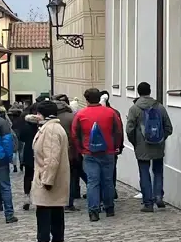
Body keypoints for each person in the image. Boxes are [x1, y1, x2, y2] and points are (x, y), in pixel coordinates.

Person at [71, 88, 123, 222]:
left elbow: (74, 134)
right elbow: (118, 131)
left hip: (89, 152)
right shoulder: (110, 112)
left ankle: (93, 211)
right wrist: (116, 146)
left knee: (92, 182)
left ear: (87, 100)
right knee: (108, 181)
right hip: (108, 151)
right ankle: (109, 207)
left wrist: (81, 148)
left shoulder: (81, 114)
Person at [28, 101, 71, 242]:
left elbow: (51, 158)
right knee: (56, 208)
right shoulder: (52, 127)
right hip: (53, 176)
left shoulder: (51, 130)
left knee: (44, 210)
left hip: (48, 177)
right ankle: (58, 241)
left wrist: (47, 179)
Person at [126, 82, 174, 212]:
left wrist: (135, 142)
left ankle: (148, 203)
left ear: (138, 92)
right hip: (158, 146)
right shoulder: (159, 107)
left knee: (144, 173)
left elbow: (129, 129)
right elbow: (169, 128)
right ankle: (158, 197)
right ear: (150, 91)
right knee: (158, 172)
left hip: (141, 147)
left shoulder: (134, 108)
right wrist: (161, 138)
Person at [55, 95, 80, 210]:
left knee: (58, 177)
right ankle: (69, 202)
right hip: (71, 151)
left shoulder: (52, 118)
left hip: (55, 151)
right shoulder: (73, 117)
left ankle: (58, 201)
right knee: (71, 177)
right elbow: (77, 134)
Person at [17, 110, 39, 210]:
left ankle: (27, 196)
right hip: (39, 154)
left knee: (28, 176)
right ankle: (39, 198)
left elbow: (21, 138)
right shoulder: (40, 128)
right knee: (39, 176)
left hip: (28, 153)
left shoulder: (25, 128)